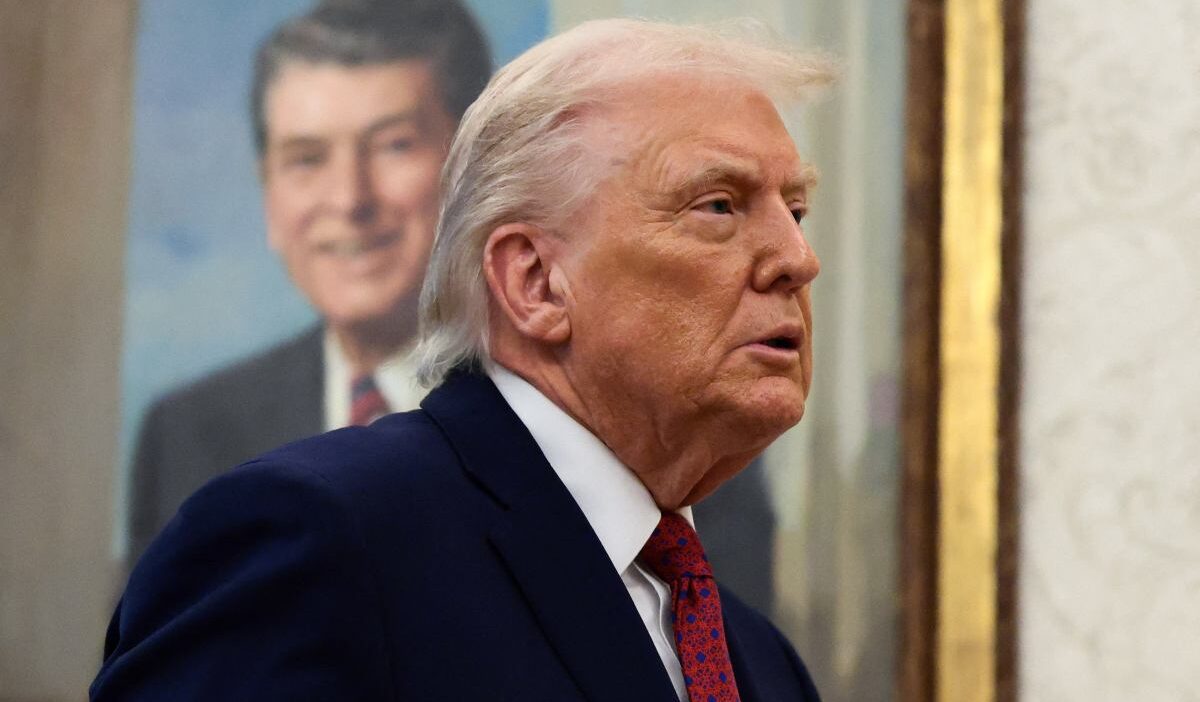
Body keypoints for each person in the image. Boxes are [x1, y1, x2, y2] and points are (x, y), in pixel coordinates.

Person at [96, 17, 831, 700]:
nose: (798, 259)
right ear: (536, 282)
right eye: (718, 206)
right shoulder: (314, 537)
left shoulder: (763, 663)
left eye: (794, 211)